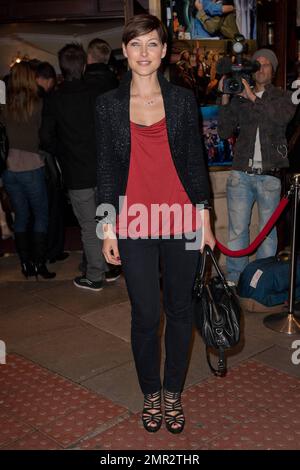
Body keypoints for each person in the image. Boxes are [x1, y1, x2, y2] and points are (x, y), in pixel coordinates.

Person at [95, 14, 215, 434]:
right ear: (124, 51)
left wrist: (205, 220)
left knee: (180, 310)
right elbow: (106, 169)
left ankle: (172, 393)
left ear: (164, 51)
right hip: (134, 222)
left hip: (181, 216)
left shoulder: (182, 100)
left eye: (151, 44)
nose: (143, 53)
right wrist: (106, 227)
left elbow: (196, 164)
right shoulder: (108, 105)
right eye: (135, 44)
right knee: (146, 312)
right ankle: (151, 392)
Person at [218, 48, 296, 285]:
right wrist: (225, 97)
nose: (261, 68)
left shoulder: (283, 97)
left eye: (266, 65)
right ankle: (235, 278)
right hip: (241, 173)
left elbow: (280, 118)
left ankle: (261, 281)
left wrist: (252, 96)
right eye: (257, 64)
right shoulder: (240, 97)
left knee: (267, 234)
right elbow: (223, 131)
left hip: (270, 175)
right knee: (238, 231)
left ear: (273, 70)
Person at [1, 61, 55, 279]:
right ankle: (40, 264)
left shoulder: (4, 106)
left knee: (21, 216)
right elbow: (41, 133)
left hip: (10, 166)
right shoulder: (37, 102)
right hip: (32, 164)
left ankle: (25, 264)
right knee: (41, 214)